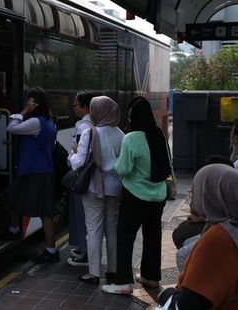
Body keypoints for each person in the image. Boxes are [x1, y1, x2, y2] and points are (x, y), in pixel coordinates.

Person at [160, 164, 238, 310]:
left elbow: (191, 304)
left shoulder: (219, 238)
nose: (193, 197)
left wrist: (170, 296)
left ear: (211, 196)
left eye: (197, 191)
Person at [102, 96, 170, 295]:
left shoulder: (131, 138)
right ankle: (151, 277)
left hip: (135, 196)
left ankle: (123, 282)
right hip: (158, 196)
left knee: (125, 237)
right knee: (152, 236)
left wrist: (112, 161)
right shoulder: (158, 134)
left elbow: (123, 168)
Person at [68, 96, 124, 285]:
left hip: (93, 188)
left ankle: (94, 272)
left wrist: (74, 153)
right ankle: (114, 269)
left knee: (93, 230)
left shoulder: (90, 133)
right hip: (115, 188)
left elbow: (78, 163)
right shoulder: (121, 134)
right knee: (112, 229)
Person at [4, 87, 59, 264]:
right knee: (12, 197)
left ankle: (51, 251)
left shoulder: (36, 122)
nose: (26, 102)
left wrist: (24, 112)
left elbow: (11, 128)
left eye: (29, 100)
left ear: (34, 103)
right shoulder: (50, 122)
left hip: (35, 172)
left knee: (44, 212)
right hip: (39, 171)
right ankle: (13, 230)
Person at [66, 91, 94, 267]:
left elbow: (78, 155)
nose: (73, 107)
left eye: (75, 104)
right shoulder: (90, 123)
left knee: (82, 214)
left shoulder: (84, 127)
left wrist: (72, 156)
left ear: (85, 106)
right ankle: (83, 248)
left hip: (81, 176)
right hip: (87, 176)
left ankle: (85, 252)